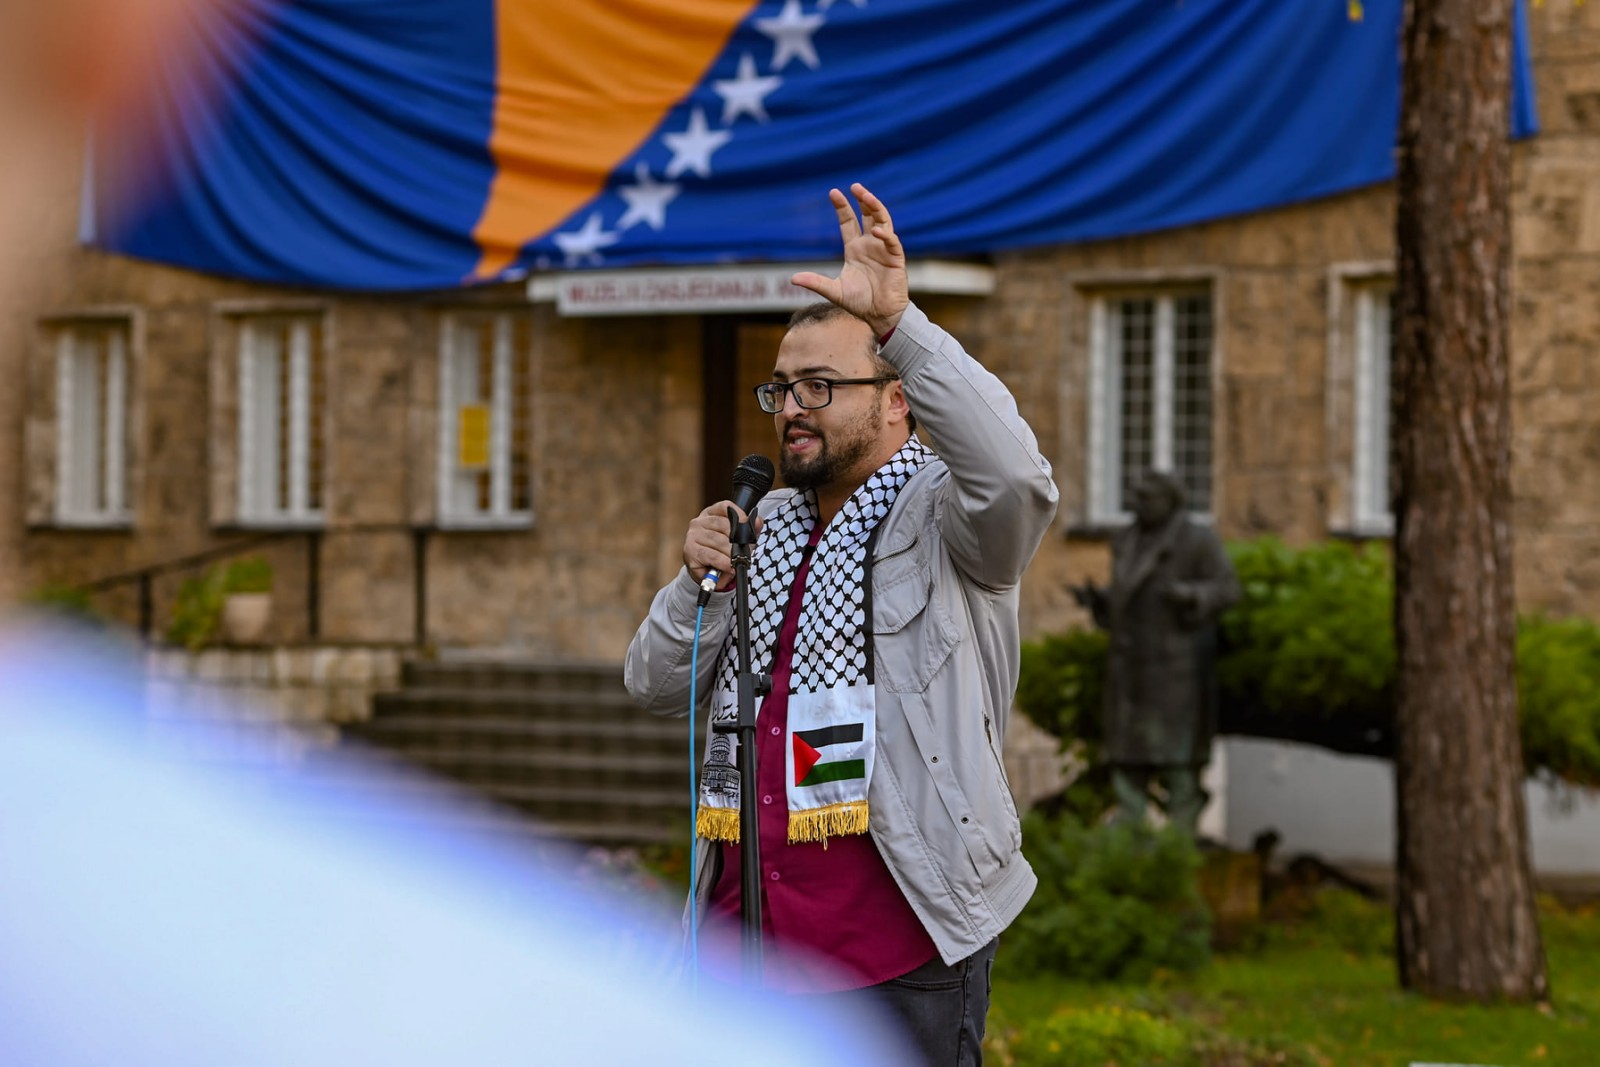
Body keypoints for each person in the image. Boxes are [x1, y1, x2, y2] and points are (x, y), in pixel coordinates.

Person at [624, 183, 1058, 1065]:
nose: (793, 408)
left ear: (899, 401)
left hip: (894, 949)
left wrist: (902, 325)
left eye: (822, 385)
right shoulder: (764, 528)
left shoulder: (952, 522)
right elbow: (655, 684)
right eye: (781, 388)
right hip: (744, 943)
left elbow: (1017, 479)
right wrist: (691, 580)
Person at [1072, 470, 1240, 835]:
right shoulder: (1127, 538)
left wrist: (1191, 595)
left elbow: (1227, 589)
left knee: (1177, 755)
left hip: (1176, 667)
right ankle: (1130, 825)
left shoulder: (1196, 539)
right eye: (1136, 498)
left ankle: (1181, 829)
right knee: (1126, 752)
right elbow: (1126, 594)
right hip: (1130, 665)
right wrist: (1101, 601)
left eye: (1148, 499)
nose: (1139, 505)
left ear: (1170, 501)